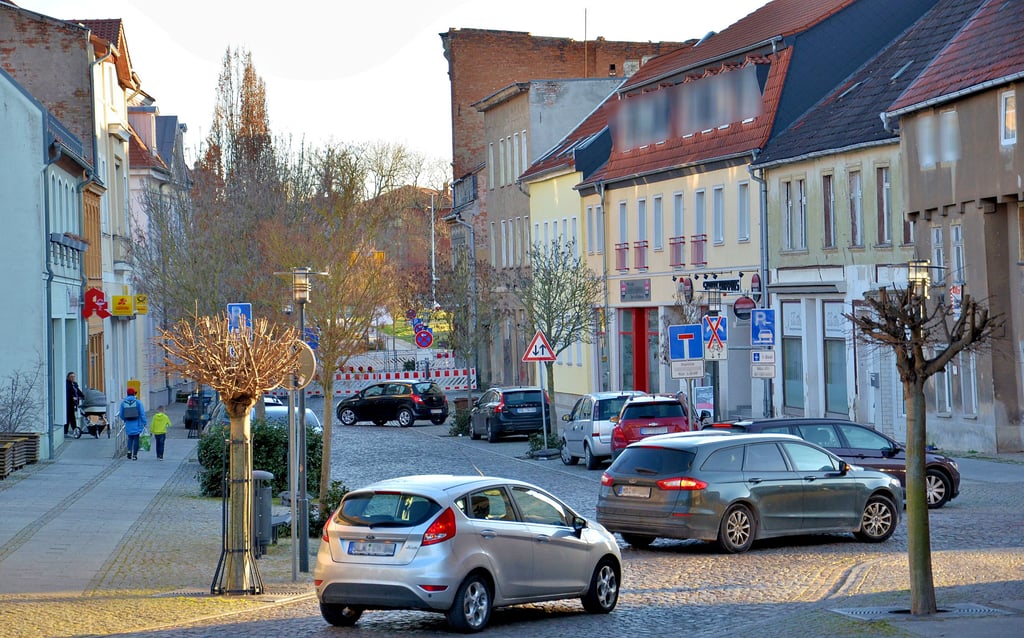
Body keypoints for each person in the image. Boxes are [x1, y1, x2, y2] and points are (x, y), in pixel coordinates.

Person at [119, 388, 147, 460]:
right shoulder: (138, 402)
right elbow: (142, 413)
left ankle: (129, 451)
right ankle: (134, 455)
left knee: (130, 438)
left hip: (128, 423)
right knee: (136, 439)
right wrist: (144, 422)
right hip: (137, 423)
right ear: (134, 394)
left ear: (127, 394)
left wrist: (125, 419)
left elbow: (121, 414)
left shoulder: (123, 403)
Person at [65, 372, 84, 437]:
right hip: (68, 403)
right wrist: (72, 397)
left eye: (73, 377)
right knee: (68, 417)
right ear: (68, 377)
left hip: (73, 404)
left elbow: (78, 391)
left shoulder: (75, 384)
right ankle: (66, 431)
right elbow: (67, 393)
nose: (73, 378)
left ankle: (74, 430)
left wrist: (83, 396)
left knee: (72, 417)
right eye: (71, 377)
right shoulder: (67, 384)